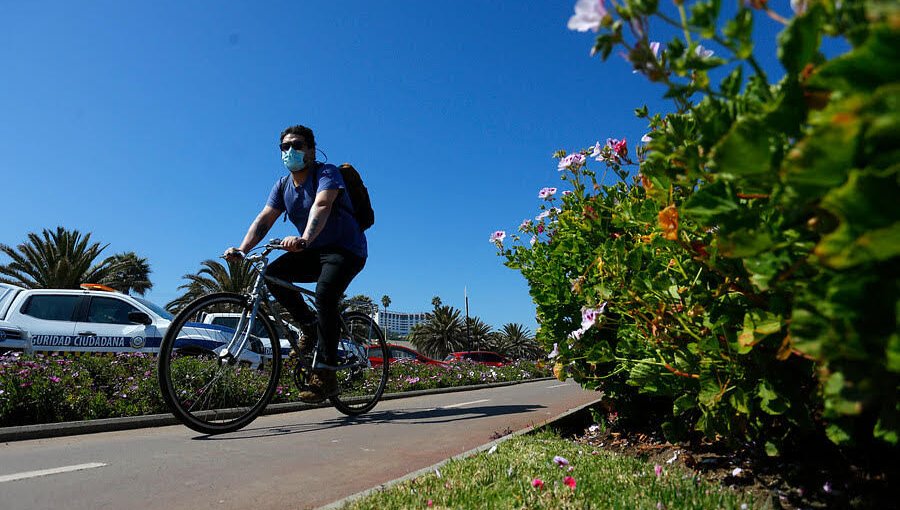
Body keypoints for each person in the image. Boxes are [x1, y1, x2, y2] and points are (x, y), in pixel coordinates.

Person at [224, 124, 367, 403]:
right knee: (273, 274)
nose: (291, 151)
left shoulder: (326, 173)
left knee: (326, 294)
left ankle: (325, 372)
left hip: (346, 249)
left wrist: (304, 238)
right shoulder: (282, 186)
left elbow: (322, 205)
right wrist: (242, 249)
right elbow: (265, 218)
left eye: (298, 145)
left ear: (312, 151)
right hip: (312, 250)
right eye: (285, 147)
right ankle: (310, 326)